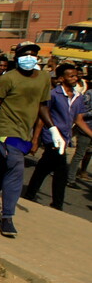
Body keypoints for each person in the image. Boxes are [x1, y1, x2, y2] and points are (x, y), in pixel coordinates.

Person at [0, 44, 58, 238]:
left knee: (5, 167)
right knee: (16, 168)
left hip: (24, 131)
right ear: (17, 58)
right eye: (25, 55)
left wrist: (53, 129)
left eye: (33, 55)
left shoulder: (44, 78)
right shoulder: (7, 79)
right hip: (5, 130)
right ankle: (7, 217)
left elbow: (43, 106)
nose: (29, 58)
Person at [23, 63, 92, 210]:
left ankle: (30, 193)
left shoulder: (78, 97)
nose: (75, 78)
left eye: (76, 76)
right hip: (51, 137)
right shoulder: (53, 95)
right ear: (61, 78)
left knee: (44, 167)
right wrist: (35, 139)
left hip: (65, 138)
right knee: (61, 170)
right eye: (71, 76)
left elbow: (79, 120)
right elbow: (42, 118)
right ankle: (57, 204)